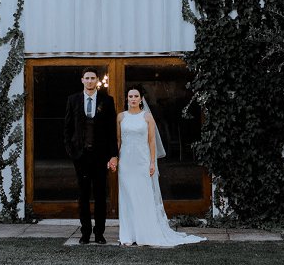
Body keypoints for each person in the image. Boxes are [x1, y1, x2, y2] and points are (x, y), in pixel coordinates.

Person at [113, 86, 205, 247]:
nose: (133, 99)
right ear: (127, 98)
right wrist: (115, 158)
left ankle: (145, 233)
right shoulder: (121, 117)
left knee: (143, 196)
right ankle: (129, 234)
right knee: (127, 197)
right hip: (126, 162)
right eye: (130, 96)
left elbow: (151, 141)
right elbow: (118, 140)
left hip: (142, 161)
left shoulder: (147, 116)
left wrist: (152, 162)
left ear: (141, 99)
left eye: (136, 96)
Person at [63, 68, 117, 244]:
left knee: (100, 195)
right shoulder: (73, 100)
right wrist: (72, 151)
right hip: (81, 156)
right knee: (83, 195)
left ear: (97, 80)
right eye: (87, 78)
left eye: (93, 78)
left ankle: (99, 233)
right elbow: (67, 128)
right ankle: (85, 233)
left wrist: (113, 155)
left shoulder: (107, 100)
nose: (90, 81)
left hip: (100, 157)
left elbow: (111, 131)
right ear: (82, 80)